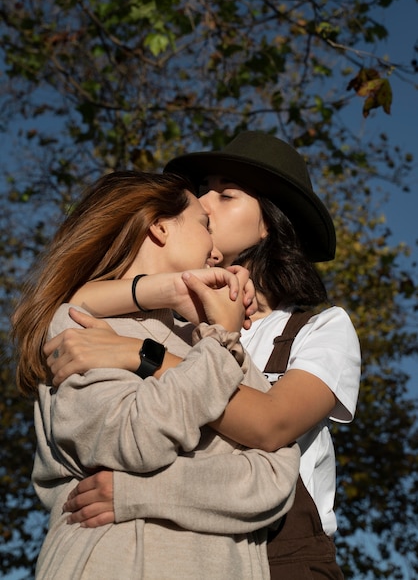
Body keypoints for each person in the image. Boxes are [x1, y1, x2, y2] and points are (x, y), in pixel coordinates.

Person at [45, 133, 361, 578]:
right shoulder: (175, 319)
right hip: (180, 543)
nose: (206, 201)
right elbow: (70, 304)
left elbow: (271, 425)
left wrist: (142, 355)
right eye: (203, 191)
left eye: (226, 194)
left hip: (281, 552)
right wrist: (169, 289)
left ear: (269, 223)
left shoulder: (318, 328)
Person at [12, 170, 300, 580]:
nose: (215, 246)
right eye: (203, 223)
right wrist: (219, 345)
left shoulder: (214, 342)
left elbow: (275, 477)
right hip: (119, 561)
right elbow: (131, 437)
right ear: (160, 229)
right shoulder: (79, 325)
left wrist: (138, 490)